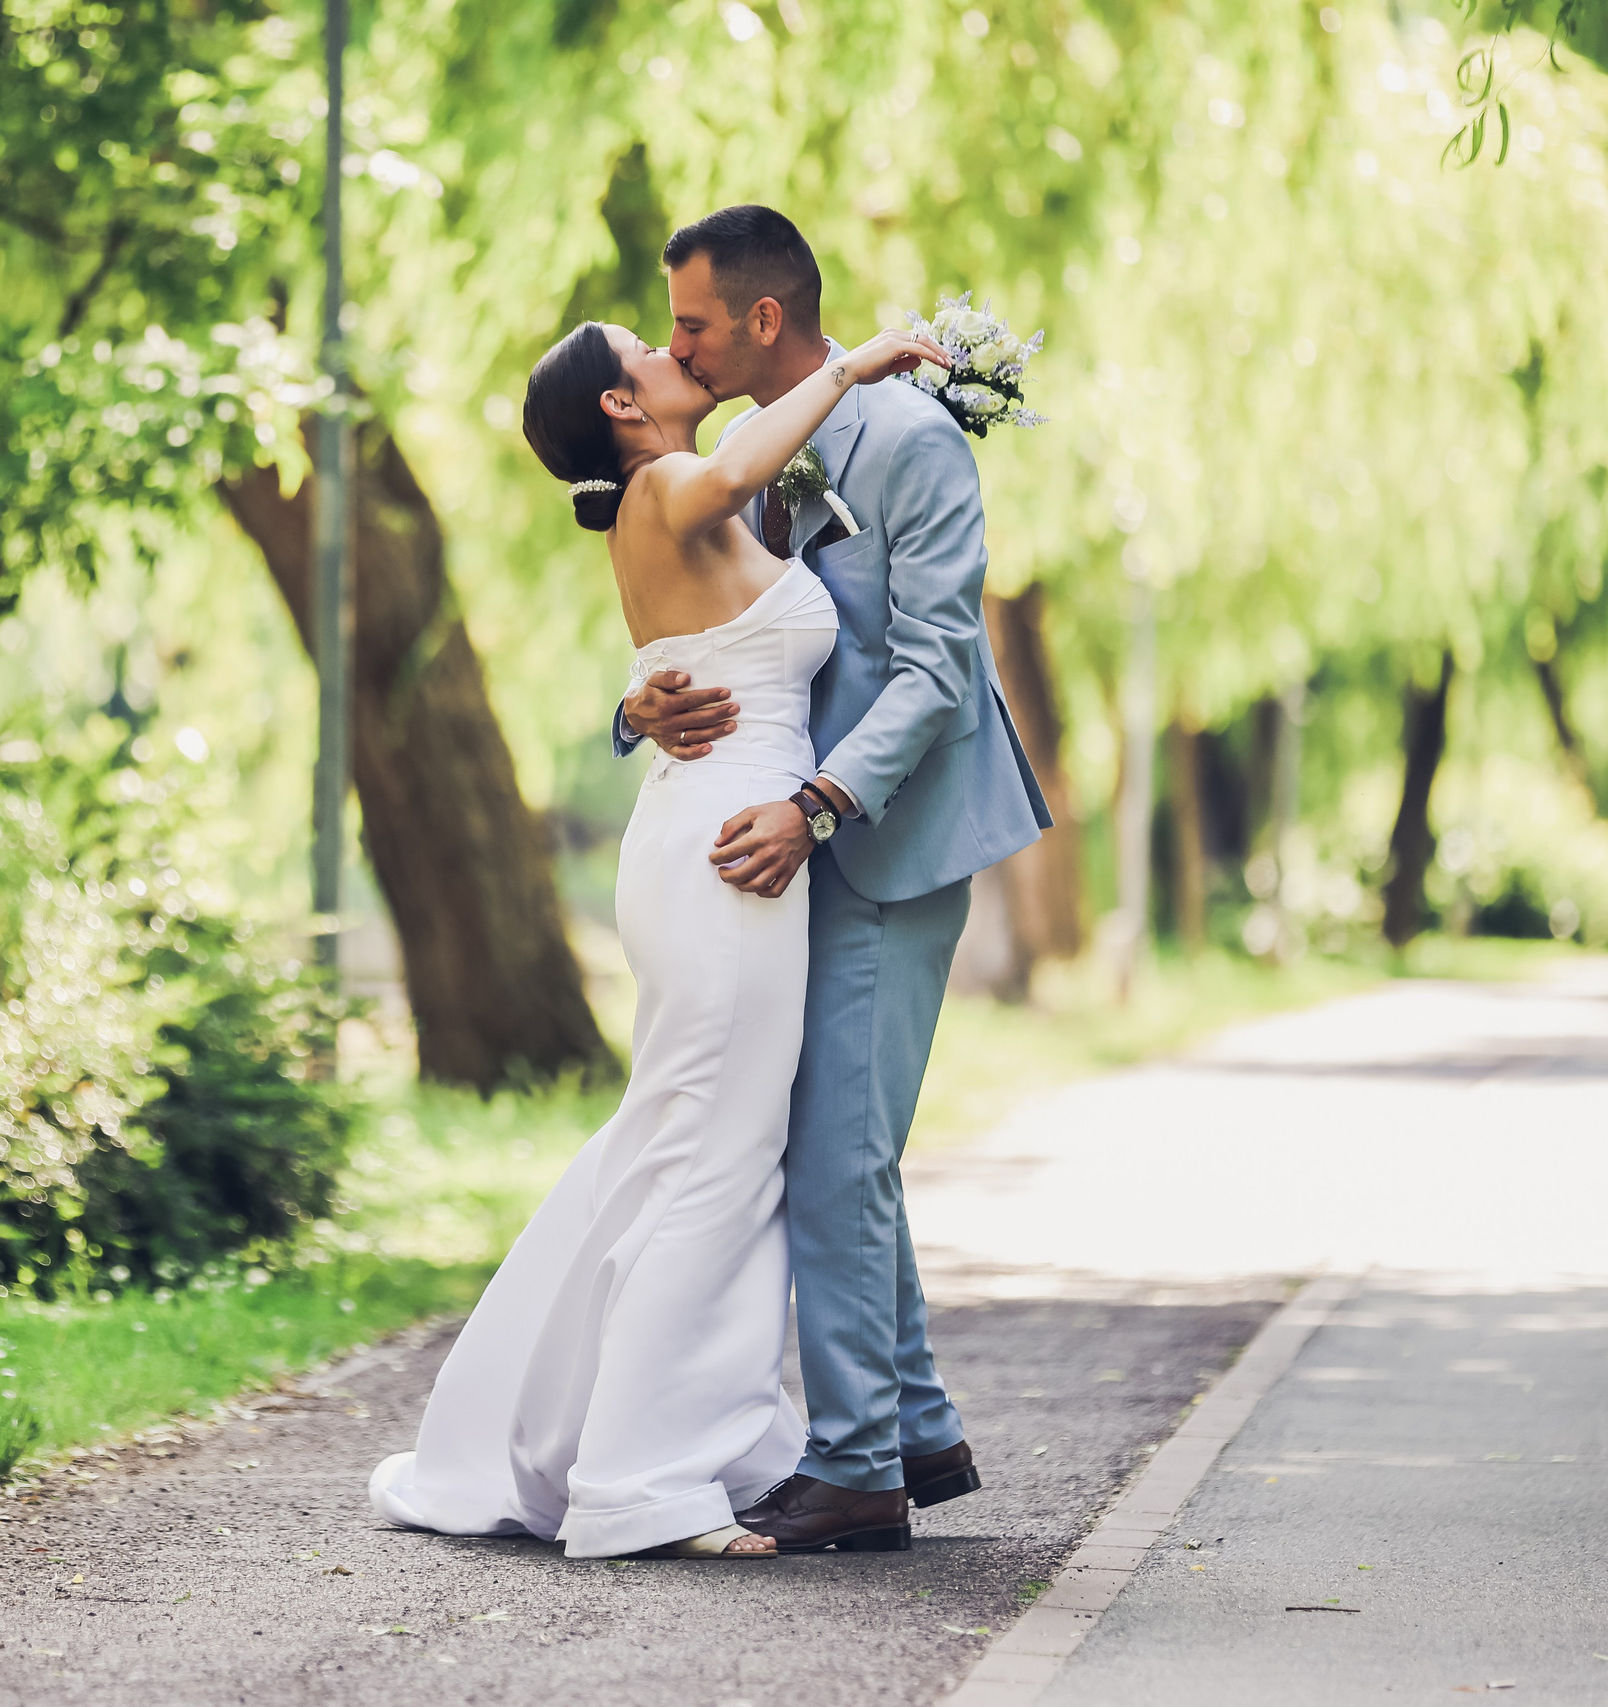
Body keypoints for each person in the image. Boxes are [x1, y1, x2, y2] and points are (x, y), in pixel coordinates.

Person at [365, 300, 954, 1557]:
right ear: (623, 407)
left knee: (693, 1147)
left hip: (715, 833)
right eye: (652, 348)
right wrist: (859, 360)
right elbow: (739, 473)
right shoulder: (682, 480)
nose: (677, 355)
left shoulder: (679, 503)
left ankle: (691, 1437)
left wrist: (643, 699)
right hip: (732, 850)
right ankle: (636, 1481)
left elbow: (704, 642)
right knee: (716, 1160)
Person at [620, 206, 1050, 1552]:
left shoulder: (912, 443)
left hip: (885, 834)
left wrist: (813, 804)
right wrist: (646, 710)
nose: (675, 343)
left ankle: (859, 1465)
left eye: (690, 321)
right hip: (790, 839)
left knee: (837, 1152)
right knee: (837, 1145)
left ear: (760, 318)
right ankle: (909, 1420)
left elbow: (934, 665)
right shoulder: (748, 459)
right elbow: (697, 622)